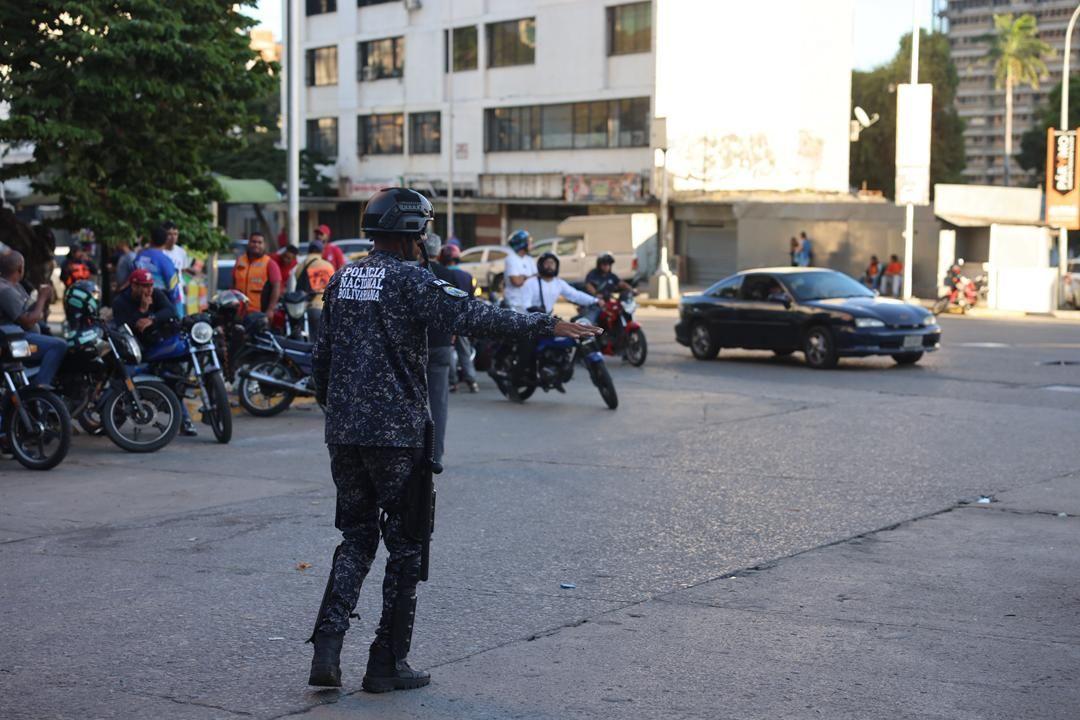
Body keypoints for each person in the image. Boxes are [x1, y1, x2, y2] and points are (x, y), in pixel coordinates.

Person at [307, 188, 600, 693]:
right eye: (423, 230)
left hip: (344, 433)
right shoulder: (411, 280)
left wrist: (336, 411)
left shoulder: (342, 278)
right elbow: (477, 317)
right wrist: (548, 323)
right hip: (397, 435)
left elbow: (322, 357)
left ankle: (327, 650)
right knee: (407, 547)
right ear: (411, 233)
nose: (426, 239)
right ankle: (386, 662)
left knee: (356, 537)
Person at [112, 269, 197, 436]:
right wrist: (142, 310)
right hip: (137, 350)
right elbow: (127, 326)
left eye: (150, 285)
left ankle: (184, 420)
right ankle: (112, 417)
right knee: (123, 381)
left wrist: (151, 319)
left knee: (174, 377)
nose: (149, 289)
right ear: (134, 286)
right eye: (144, 286)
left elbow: (171, 311)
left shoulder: (156, 294)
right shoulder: (120, 301)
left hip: (160, 345)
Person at [0, 251, 65, 387]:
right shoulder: (5, 290)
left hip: (22, 340)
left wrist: (43, 298)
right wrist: (42, 298)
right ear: (20, 269)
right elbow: (28, 322)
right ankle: (39, 388)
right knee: (59, 345)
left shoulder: (15, 286)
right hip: (15, 343)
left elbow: (31, 311)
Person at [420, 235, 457, 466]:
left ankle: (414, 453)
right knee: (439, 403)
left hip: (417, 344)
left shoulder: (413, 273)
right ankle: (436, 455)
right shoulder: (449, 275)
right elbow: (456, 308)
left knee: (413, 400)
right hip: (442, 342)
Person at [439, 245, 479, 393]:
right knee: (465, 350)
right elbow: (472, 299)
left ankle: (452, 382)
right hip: (463, 318)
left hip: (447, 318)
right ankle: (472, 380)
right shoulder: (466, 276)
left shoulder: (442, 274)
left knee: (449, 349)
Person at [134, 225, 183, 315]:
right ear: (166, 241)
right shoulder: (165, 260)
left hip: (139, 303)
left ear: (151, 239)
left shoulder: (139, 256)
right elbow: (173, 287)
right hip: (160, 306)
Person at [233, 231, 282, 314]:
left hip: (259, 313)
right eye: (254, 242)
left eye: (260, 242)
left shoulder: (270, 263)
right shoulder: (239, 261)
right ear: (249, 243)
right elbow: (233, 284)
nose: (256, 245)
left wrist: (270, 310)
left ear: (264, 245)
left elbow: (276, 288)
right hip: (239, 312)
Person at [296, 240, 335, 339]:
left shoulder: (300, 266)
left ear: (309, 250)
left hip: (306, 308)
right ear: (322, 251)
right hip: (325, 307)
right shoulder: (328, 266)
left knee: (309, 339)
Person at [583, 252, 633, 324]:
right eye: (604, 264)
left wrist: (632, 290)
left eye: (609, 264)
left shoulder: (611, 276)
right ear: (599, 265)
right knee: (591, 319)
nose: (607, 266)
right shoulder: (593, 274)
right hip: (595, 303)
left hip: (607, 303)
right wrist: (596, 294)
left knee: (619, 312)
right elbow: (589, 285)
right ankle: (587, 328)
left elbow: (621, 284)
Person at [502, 230, 537, 312]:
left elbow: (537, 278)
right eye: (529, 241)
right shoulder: (511, 259)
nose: (531, 244)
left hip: (528, 303)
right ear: (522, 243)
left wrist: (523, 277)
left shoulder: (529, 259)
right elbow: (517, 282)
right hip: (514, 304)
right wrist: (529, 277)